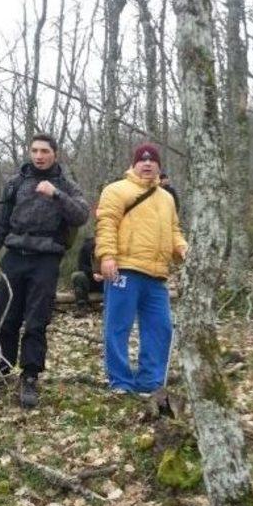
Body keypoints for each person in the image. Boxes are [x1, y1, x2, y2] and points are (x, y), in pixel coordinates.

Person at [0, 134, 89, 408]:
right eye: (34, 150)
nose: (39, 156)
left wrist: (56, 194)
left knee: (37, 322)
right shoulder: (15, 183)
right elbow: (1, 224)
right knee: (6, 318)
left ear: (55, 153)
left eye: (45, 151)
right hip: (14, 257)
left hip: (46, 260)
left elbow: (82, 216)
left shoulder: (66, 185)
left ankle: (29, 379)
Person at [95, 142, 187, 395]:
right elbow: (106, 225)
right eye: (142, 160)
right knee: (118, 326)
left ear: (159, 166)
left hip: (156, 274)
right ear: (134, 164)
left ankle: (150, 383)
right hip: (124, 268)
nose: (147, 164)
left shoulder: (167, 198)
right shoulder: (116, 190)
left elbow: (173, 231)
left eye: (152, 160)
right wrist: (107, 256)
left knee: (160, 328)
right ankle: (121, 382)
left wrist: (182, 250)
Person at [71, 235, 103, 309]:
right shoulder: (86, 248)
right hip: (90, 281)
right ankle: (82, 307)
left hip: (107, 281)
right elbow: (81, 266)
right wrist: (93, 274)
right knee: (77, 276)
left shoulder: (113, 248)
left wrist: (104, 276)